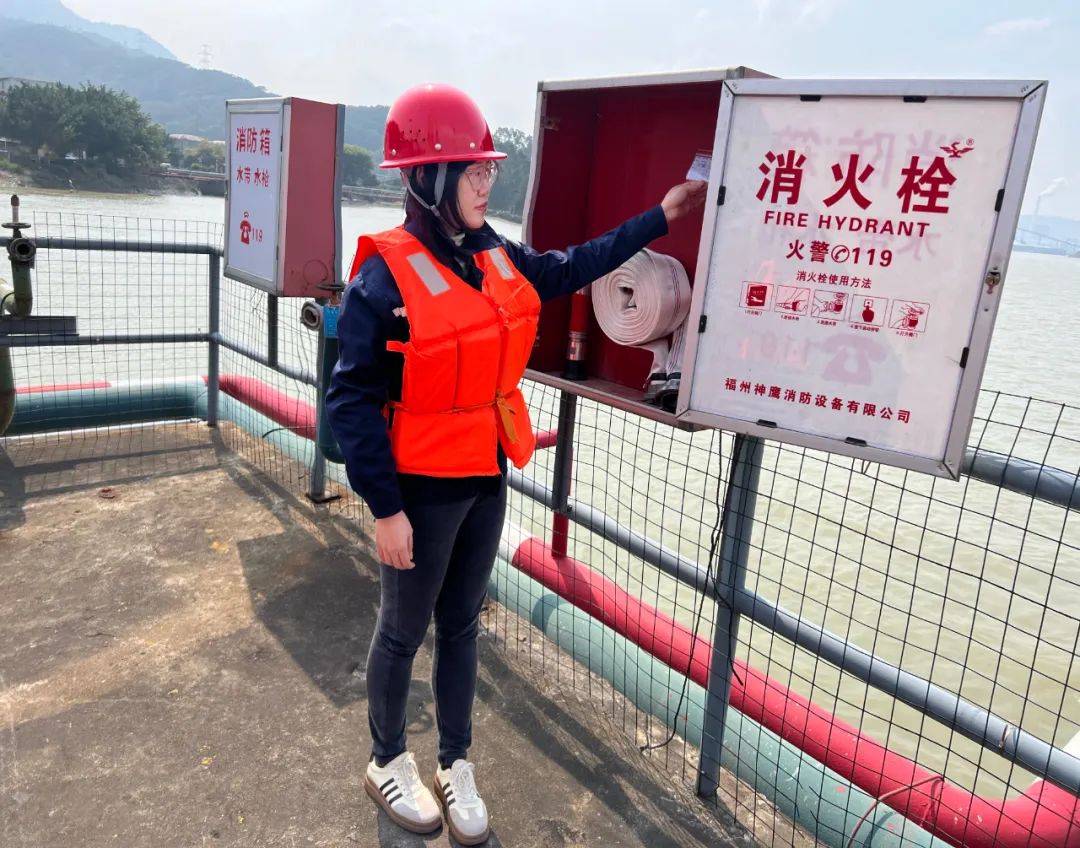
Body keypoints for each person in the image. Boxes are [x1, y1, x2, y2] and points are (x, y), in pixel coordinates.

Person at [326, 82, 705, 845]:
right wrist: (386, 509)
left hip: (484, 477)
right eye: (473, 170)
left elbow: (573, 265)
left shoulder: (491, 253)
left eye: (488, 169)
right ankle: (387, 759)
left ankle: (455, 762)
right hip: (418, 489)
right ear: (428, 177)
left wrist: (660, 217)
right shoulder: (382, 280)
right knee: (401, 632)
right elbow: (350, 402)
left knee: (462, 625)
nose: (486, 181)